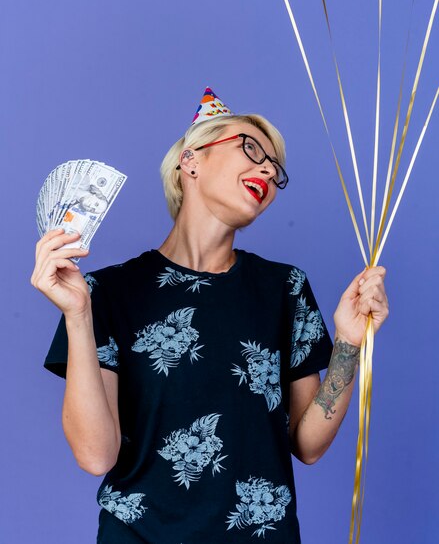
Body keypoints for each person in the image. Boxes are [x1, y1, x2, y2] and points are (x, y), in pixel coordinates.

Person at [31, 88, 389, 543]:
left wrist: (349, 343)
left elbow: (309, 445)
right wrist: (78, 315)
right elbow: (95, 456)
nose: (267, 169)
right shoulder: (106, 293)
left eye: (275, 169)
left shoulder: (284, 288)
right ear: (191, 160)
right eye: (252, 148)